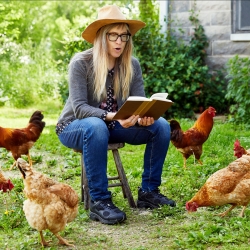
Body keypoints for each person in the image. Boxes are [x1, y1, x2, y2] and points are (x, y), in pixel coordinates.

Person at [56, 5, 176, 225]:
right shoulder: (81, 63)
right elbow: (80, 108)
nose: (120, 41)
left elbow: (139, 102)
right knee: (95, 125)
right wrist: (113, 116)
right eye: (113, 35)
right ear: (102, 37)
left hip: (111, 126)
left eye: (124, 36)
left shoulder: (132, 65)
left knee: (161, 126)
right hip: (76, 126)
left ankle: (149, 192)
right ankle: (100, 202)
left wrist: (143, 117)